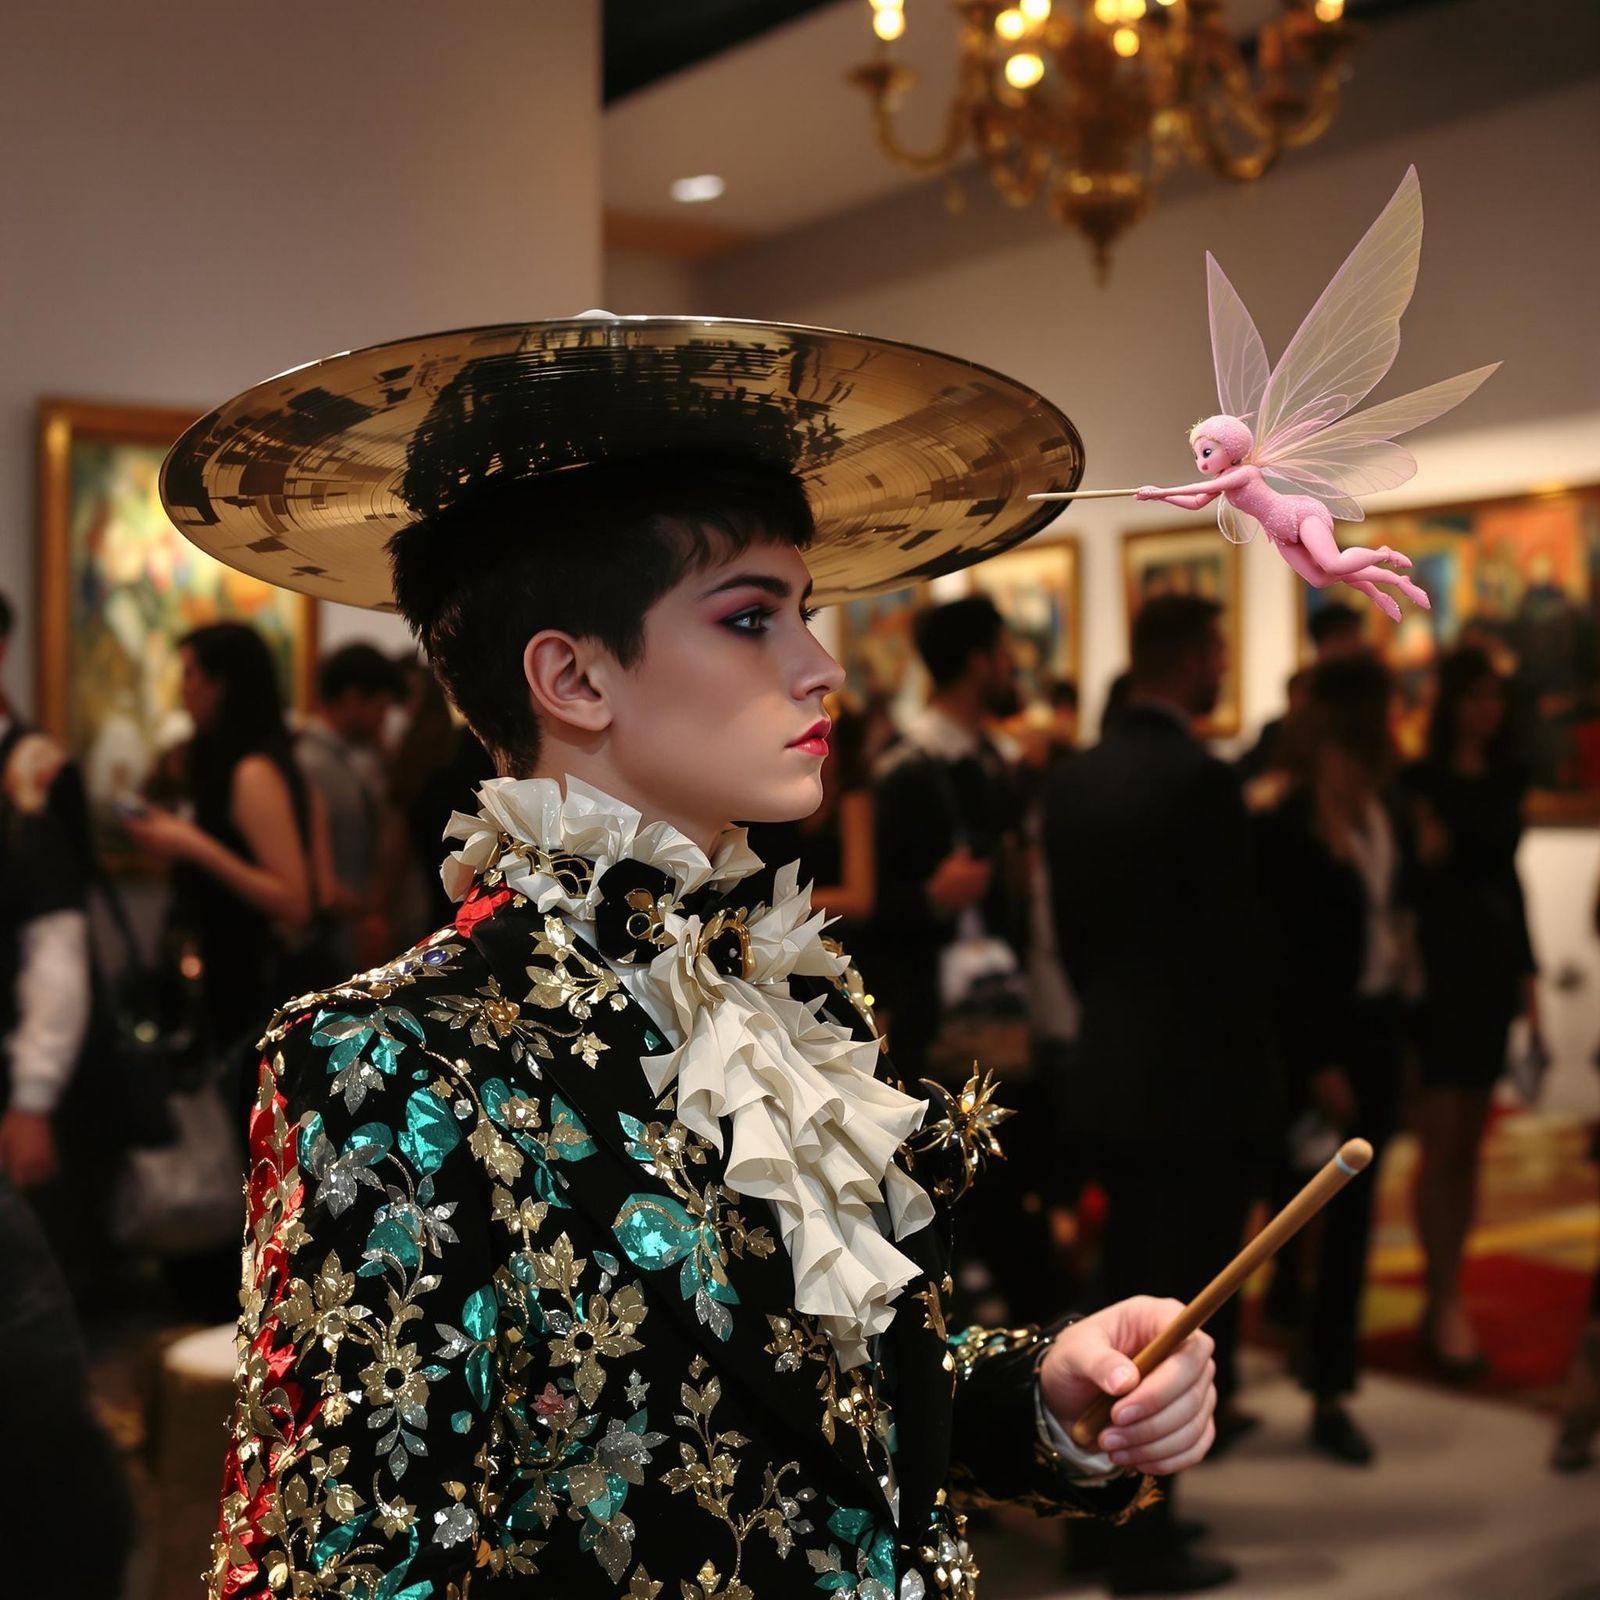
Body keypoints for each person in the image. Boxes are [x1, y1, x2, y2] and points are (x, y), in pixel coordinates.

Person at [160, 316, 1219, 1600]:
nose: (822, 666)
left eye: (804, 614)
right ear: (573, 677)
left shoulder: (792, 992)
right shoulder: (393, 1057)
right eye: (751, 618)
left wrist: (1047, 1396)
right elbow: (343, 1566)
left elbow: (838, 1409)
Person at [1044, 592, 1281, 1595]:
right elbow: (1237, 948)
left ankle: (1092, 1514)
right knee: (1174, 1316)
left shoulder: (1072, 778)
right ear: (1188, 660)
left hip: (1106, 1067)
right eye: (1219, 653)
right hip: (1193, 1081)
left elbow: (1069, 932)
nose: (1223, 671)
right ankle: (1144, 1533)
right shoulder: (1201, 780)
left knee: (1107, 1294)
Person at [1253, 654, 1412, 1464]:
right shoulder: (1290, 823)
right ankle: (1265, 1351)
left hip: (1376, 1027)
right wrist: (1317, 1059)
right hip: (1317, 1041)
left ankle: (1328, 1389)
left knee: (1349, 1224)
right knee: (1284, 1208)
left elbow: (1387, 915)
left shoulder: (1381, 815)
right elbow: (1285, 962)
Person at [1402, 644, 1541, 1377]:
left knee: (1468, 1146)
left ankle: (1449, 1288)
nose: (1487, 708)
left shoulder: (1506, 780)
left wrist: (1531, 991)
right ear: (1451, 701)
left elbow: (1510, 887)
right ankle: (1440, 1293)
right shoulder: (1417, 783)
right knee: (1438, 1139)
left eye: (1496, 696)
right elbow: (1409, 892)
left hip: (1487, 972)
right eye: (1475, 695)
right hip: (1436, 975)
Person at [871, 596, 1029, 1084]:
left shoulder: (996, 761)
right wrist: (930, 898)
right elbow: (864, 902)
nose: (1013, 667)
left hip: (1003, 1008)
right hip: (929, 1025)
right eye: (1004, 652)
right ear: (978, 661)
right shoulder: (902, 769)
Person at [295, 642, 407, 969]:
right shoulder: (316, 764)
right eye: (381, 708)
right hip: (329, 943)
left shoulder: (340, 759)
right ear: (352, 698)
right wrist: (372, 909)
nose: (383, 721)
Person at [1237, 600, 1366, 784]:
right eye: (1353, 637)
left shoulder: (1355, 690)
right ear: (1333, 640)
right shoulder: (1306, 687)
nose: (1359, 646)